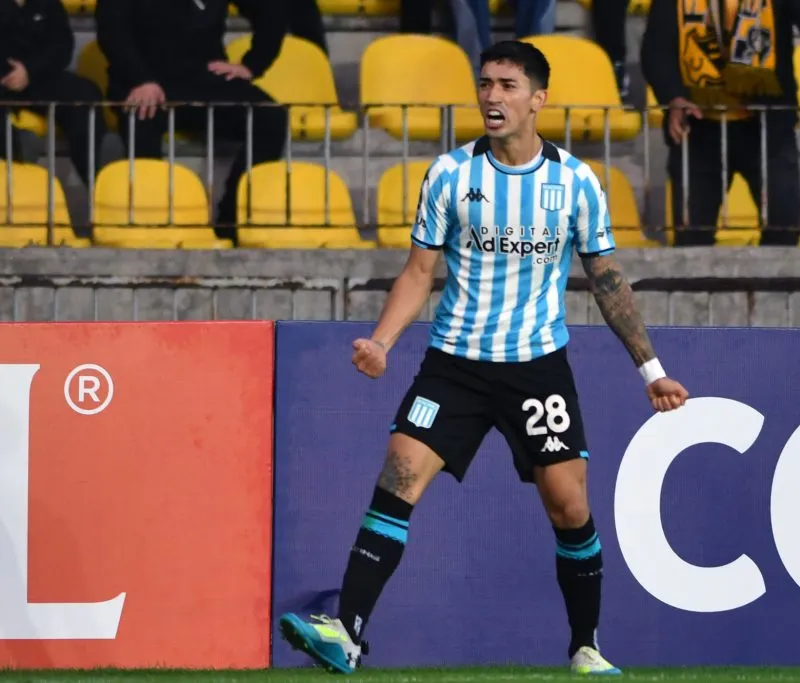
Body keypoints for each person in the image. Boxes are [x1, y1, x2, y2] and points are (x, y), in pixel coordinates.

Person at [277, 39, 689, 676]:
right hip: (455, 364)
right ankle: (347, 633)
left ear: (538, 99)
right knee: (399, 477)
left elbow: (607, 281)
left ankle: (585, 646)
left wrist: (652, 371)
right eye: (485, 83)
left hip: (536, 368)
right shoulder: (449, 174)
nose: (492, 96)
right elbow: (419, 271)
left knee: (569, 507)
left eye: (507, 85)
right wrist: (381, 342)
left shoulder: (575, 182)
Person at [642, 0, 800, 246]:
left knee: (784, 226)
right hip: (699, 127)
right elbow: (656, 48)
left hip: (767, 126)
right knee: (692, 234)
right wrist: (673, 97)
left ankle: (775, 273)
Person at [95, 0, 288, 241]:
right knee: (142, 119)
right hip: (144, 82)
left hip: (205, 79)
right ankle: (152, 223)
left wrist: (252, 65)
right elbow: (112, 31)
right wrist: (140, 79)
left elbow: (271, 10)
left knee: (270, 117)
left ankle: (231, 219)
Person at [0, 0, 105, 188]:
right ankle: (11, 175)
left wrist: (29, 71)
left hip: (39, 77)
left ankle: (95, 179)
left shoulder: (48, 4)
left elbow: (62, 46)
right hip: (3, 79)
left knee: (85, 94)